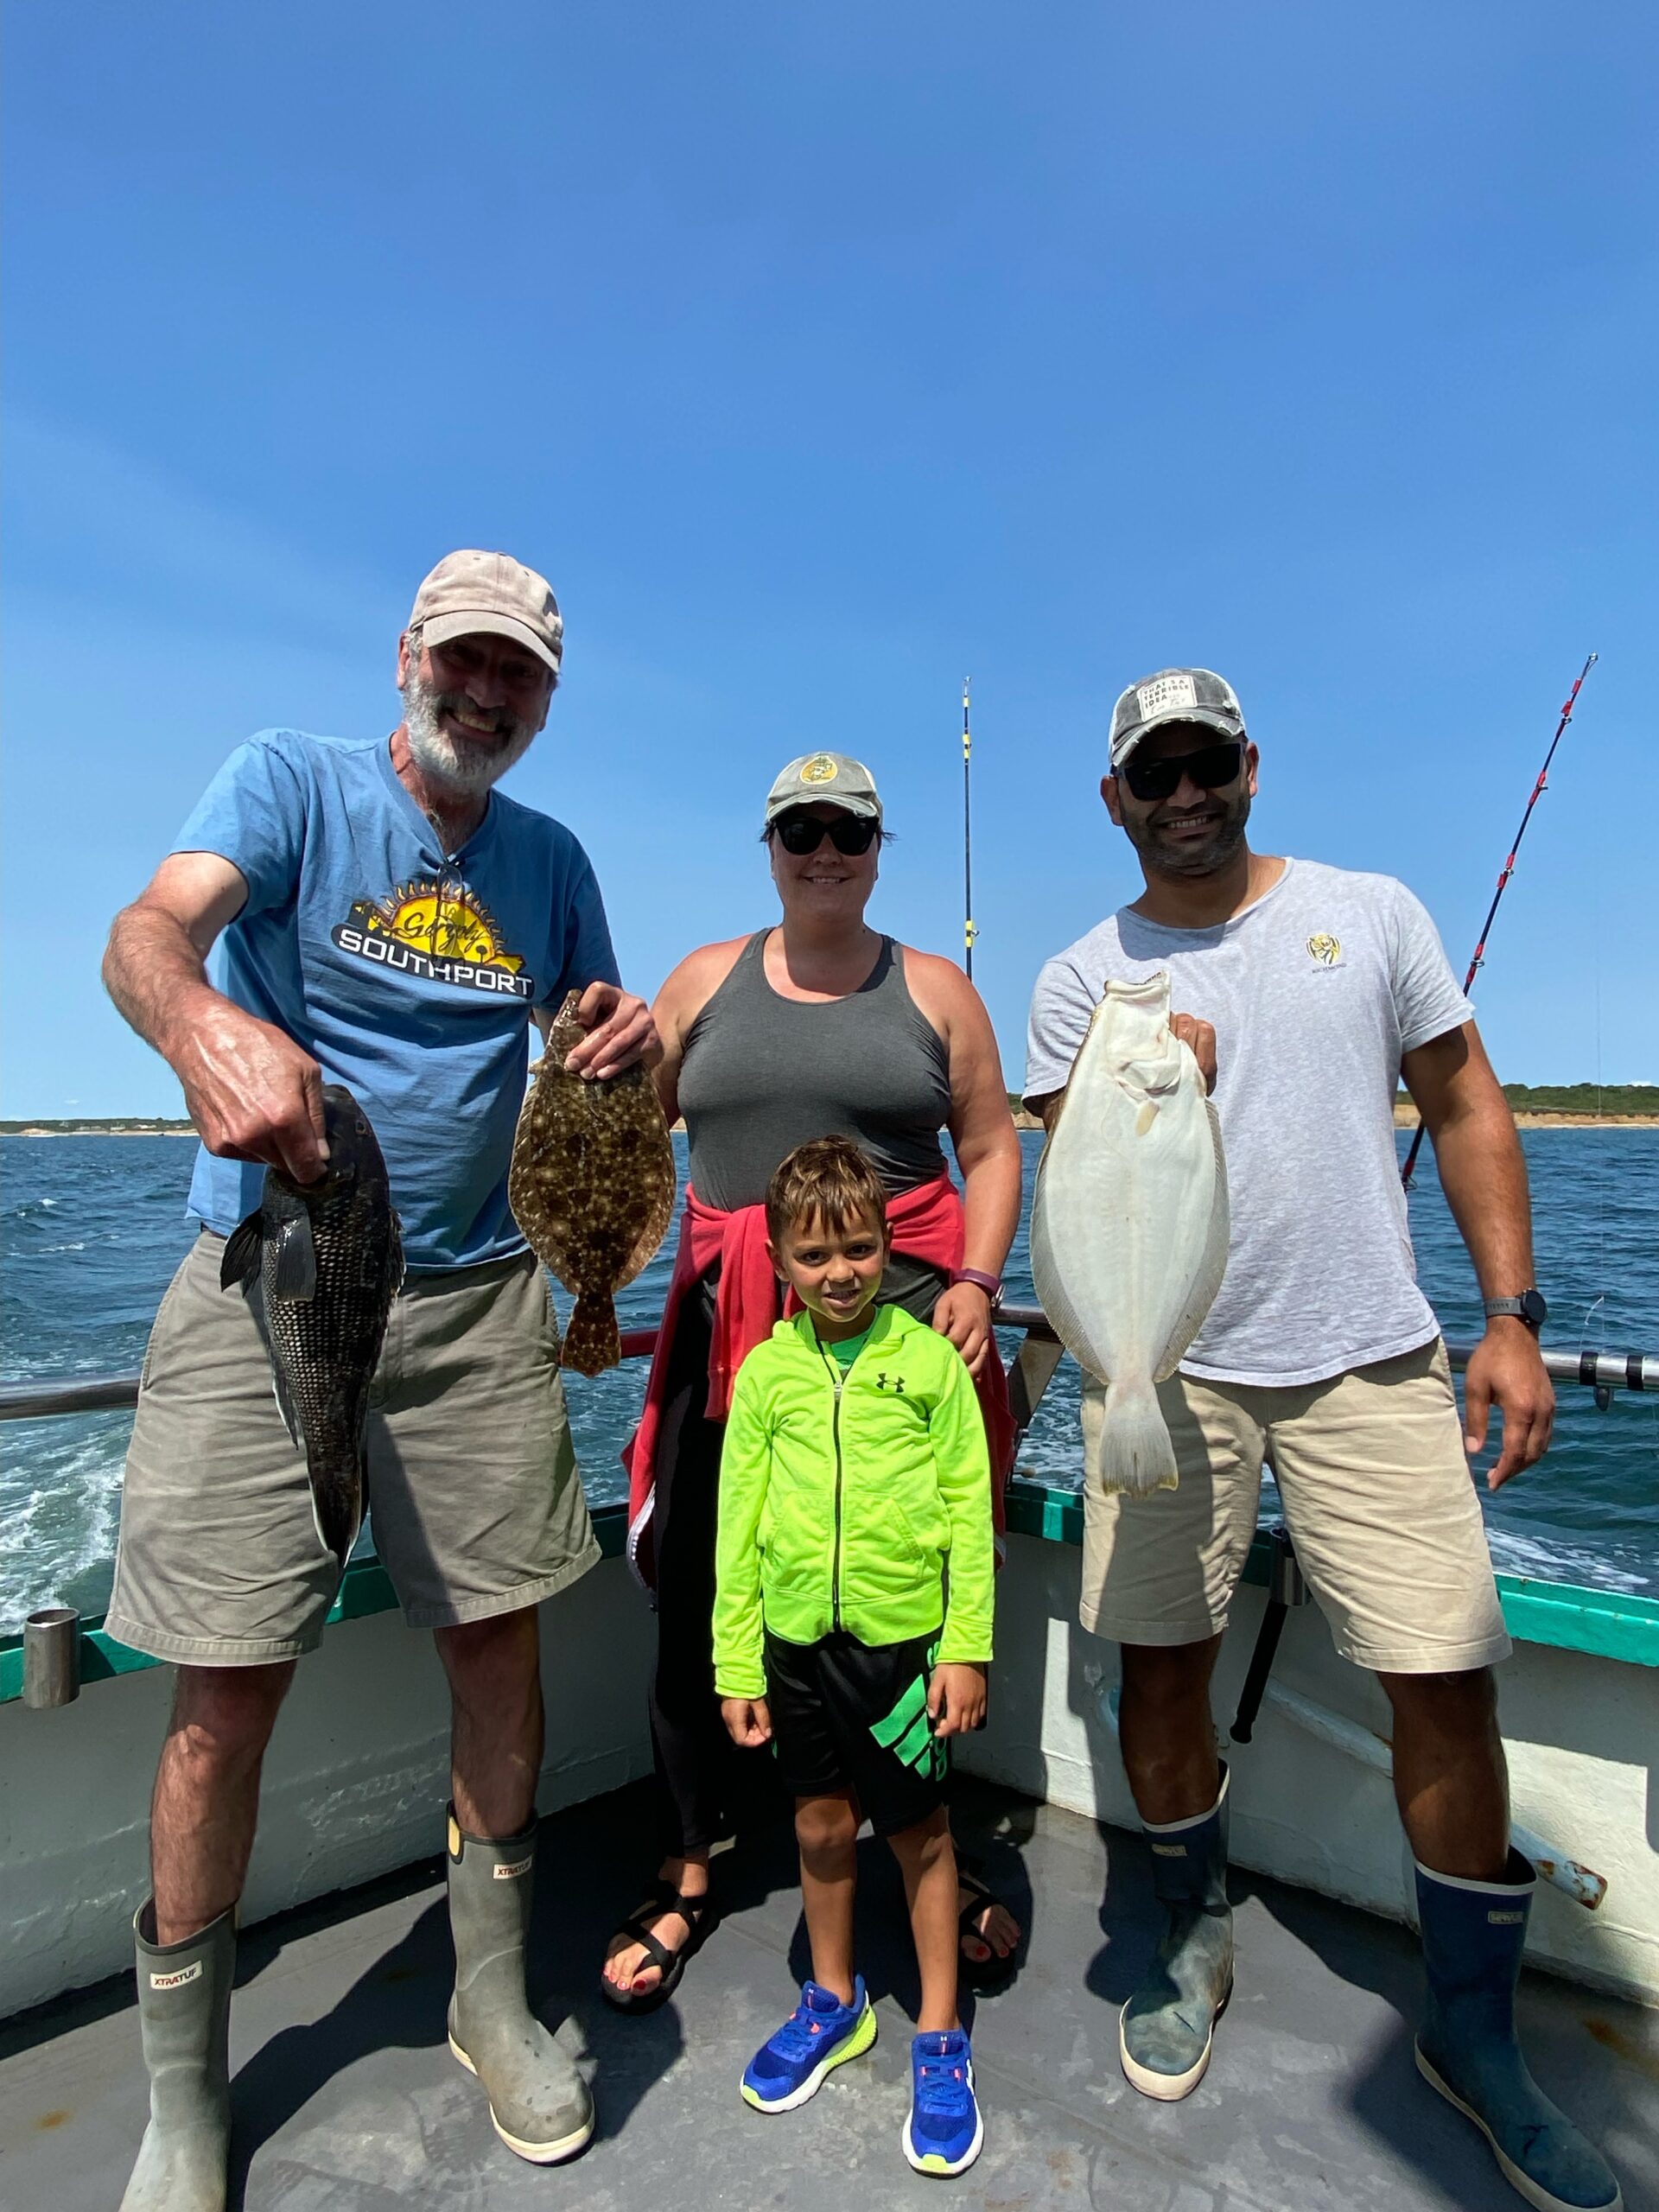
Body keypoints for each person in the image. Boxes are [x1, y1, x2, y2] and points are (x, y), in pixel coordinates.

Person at [100, 550, 657, 2206]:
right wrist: (198, 1023)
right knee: (225, 1683)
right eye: (467, 660)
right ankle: (184, 2096)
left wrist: (635, 1042)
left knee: (500, 1652)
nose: (487, 694)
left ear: (547, 699)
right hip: (273, 1274)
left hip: (486, 1299)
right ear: (408, 654)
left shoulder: (552, 863)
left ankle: (490, 1992)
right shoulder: (290, 783)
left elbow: (598, 1061)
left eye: (522, 676)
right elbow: (148, 934)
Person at [1024, 667, 1620, 2212]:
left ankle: (1474, 2034)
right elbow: (1072, 1183)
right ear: (1116, 800)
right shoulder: (1083, 976)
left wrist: (1512, 1316)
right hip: (1167, 1367)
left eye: (1206, 760)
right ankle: (1193, 1928)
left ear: (1251, 766)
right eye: (1153, 770)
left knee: (1442, 1674)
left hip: (1370, 1356)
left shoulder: (1373, 911)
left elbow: (1467, 1096)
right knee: (1159, 1662)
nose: (1184, 790)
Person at [601, 749, 1024, 2010]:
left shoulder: (935, 989)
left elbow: (995, 1150)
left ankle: (929, 1845)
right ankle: (688, 1862)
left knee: (911, 1586)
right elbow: (620, 1125)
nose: (825, 852)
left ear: (880, 848)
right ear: (771, 846)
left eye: (849, 832)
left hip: (902, 1334)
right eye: (802, 831)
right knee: (698, 1581)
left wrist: (981, 1284)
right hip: (732, 1335)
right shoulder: (704, 979)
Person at [714, 1138, 994, 2177]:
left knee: (922, 1838)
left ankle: (936, 2031)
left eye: (861, 1249)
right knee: (821, 1826)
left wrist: (963, 1648)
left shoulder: (927, 1363)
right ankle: (833, 2000)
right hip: (793, 1652)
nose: (841, 1273)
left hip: (900, 1654)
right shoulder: (766, 1375)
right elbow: (735, 1529)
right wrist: (737, 1663)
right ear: (780, 1260)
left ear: (889, 1245)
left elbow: (972, 1512)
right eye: (816, 1255)